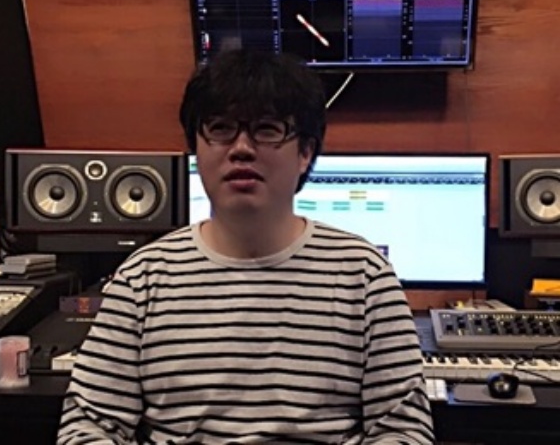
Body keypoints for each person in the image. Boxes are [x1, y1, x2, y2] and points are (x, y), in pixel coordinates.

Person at [57, 49, 434, 444]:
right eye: (220, 128)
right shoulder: (142, 278)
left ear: (305, 153)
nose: (241, 148)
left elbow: (404, 431)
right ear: (196, 148)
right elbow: (86, 426)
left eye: (267, 129)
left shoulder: (364, 275)